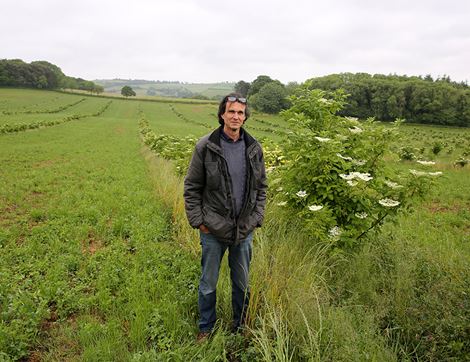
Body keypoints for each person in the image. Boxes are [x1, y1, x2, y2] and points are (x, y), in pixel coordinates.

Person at [183, 93, 267, 341]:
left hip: (244, 230)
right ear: (222, 115)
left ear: (245, 117)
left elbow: (262, 187)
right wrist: (199, 222)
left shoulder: (253, 148)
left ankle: (240, 327)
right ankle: (206, 328)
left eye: (240, 113)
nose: (236, 116)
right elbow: (192, 187)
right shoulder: (205, 146)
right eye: (231, 111)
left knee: (241, 284)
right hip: (213, 229)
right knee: (208, 284)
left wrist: (256, 218)